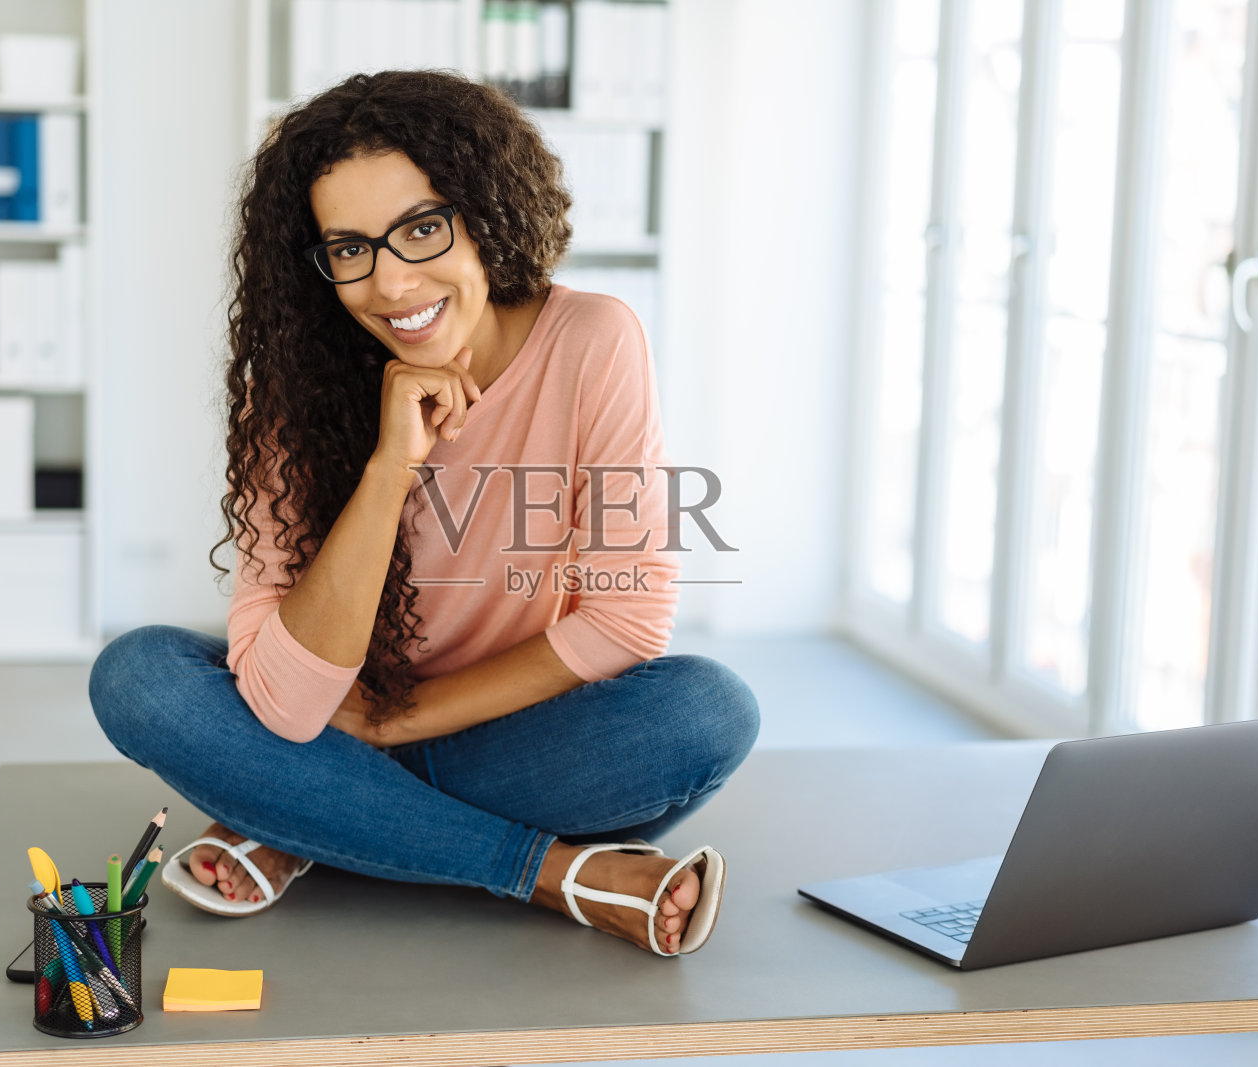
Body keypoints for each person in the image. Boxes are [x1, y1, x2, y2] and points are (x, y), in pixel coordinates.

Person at [88, 70, 760, 957]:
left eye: (421, 228)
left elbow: (625, 619)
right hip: (325, 721)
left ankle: (308, 819)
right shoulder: (295, 386)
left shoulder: (594, 339)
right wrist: (388, 467)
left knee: (707, 711)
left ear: (485, 212)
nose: (393, 282)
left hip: (488, 732)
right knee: (140, 677)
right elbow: (288, 707)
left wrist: (389, 725)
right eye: (351, 248)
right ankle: (556, 873)